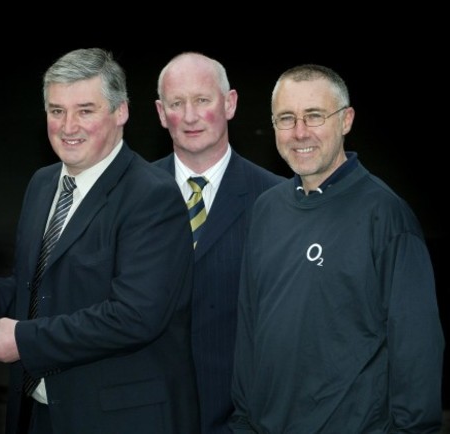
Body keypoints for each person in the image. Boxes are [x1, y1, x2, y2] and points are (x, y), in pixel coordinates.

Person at [0, 48, 200, 434]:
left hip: (118, 420)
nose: (68, 126)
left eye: (85, 110)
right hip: (39, 414)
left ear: (120, 112)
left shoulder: (151, 196)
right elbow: (42, 293)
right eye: (57, 111)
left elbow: (134, 317)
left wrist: (24, 340)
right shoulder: (43, 184)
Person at [229, 64, 445, 433]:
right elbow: (250, 328)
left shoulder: (385, 216)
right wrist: (244, 421)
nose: (299, 132)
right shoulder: (266, 210)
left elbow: (417, 349)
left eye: (314, 116)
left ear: (346, 120)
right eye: (286, 118)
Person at [153, 52, 286, 434]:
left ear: (230, 104)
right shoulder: (127, 196)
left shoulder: (276, 200)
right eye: (178, 104)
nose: (191, 116)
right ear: (162, 114)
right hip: (145, 413)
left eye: (203, 100)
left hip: (245, 418)